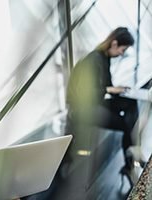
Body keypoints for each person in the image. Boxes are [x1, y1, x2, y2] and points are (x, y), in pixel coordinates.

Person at [65, 27, 138, 187]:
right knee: (125, 123)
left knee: (132, 104)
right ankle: (130, 161)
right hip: (82, 108)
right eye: (122, 49)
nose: (121, 54)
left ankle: (131, 154)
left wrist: (118, 90)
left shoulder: (104, 58)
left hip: (96, 101)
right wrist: (110, 89)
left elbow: (107, 86)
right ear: (114, 43)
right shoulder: (93, 60)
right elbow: (84, 93)